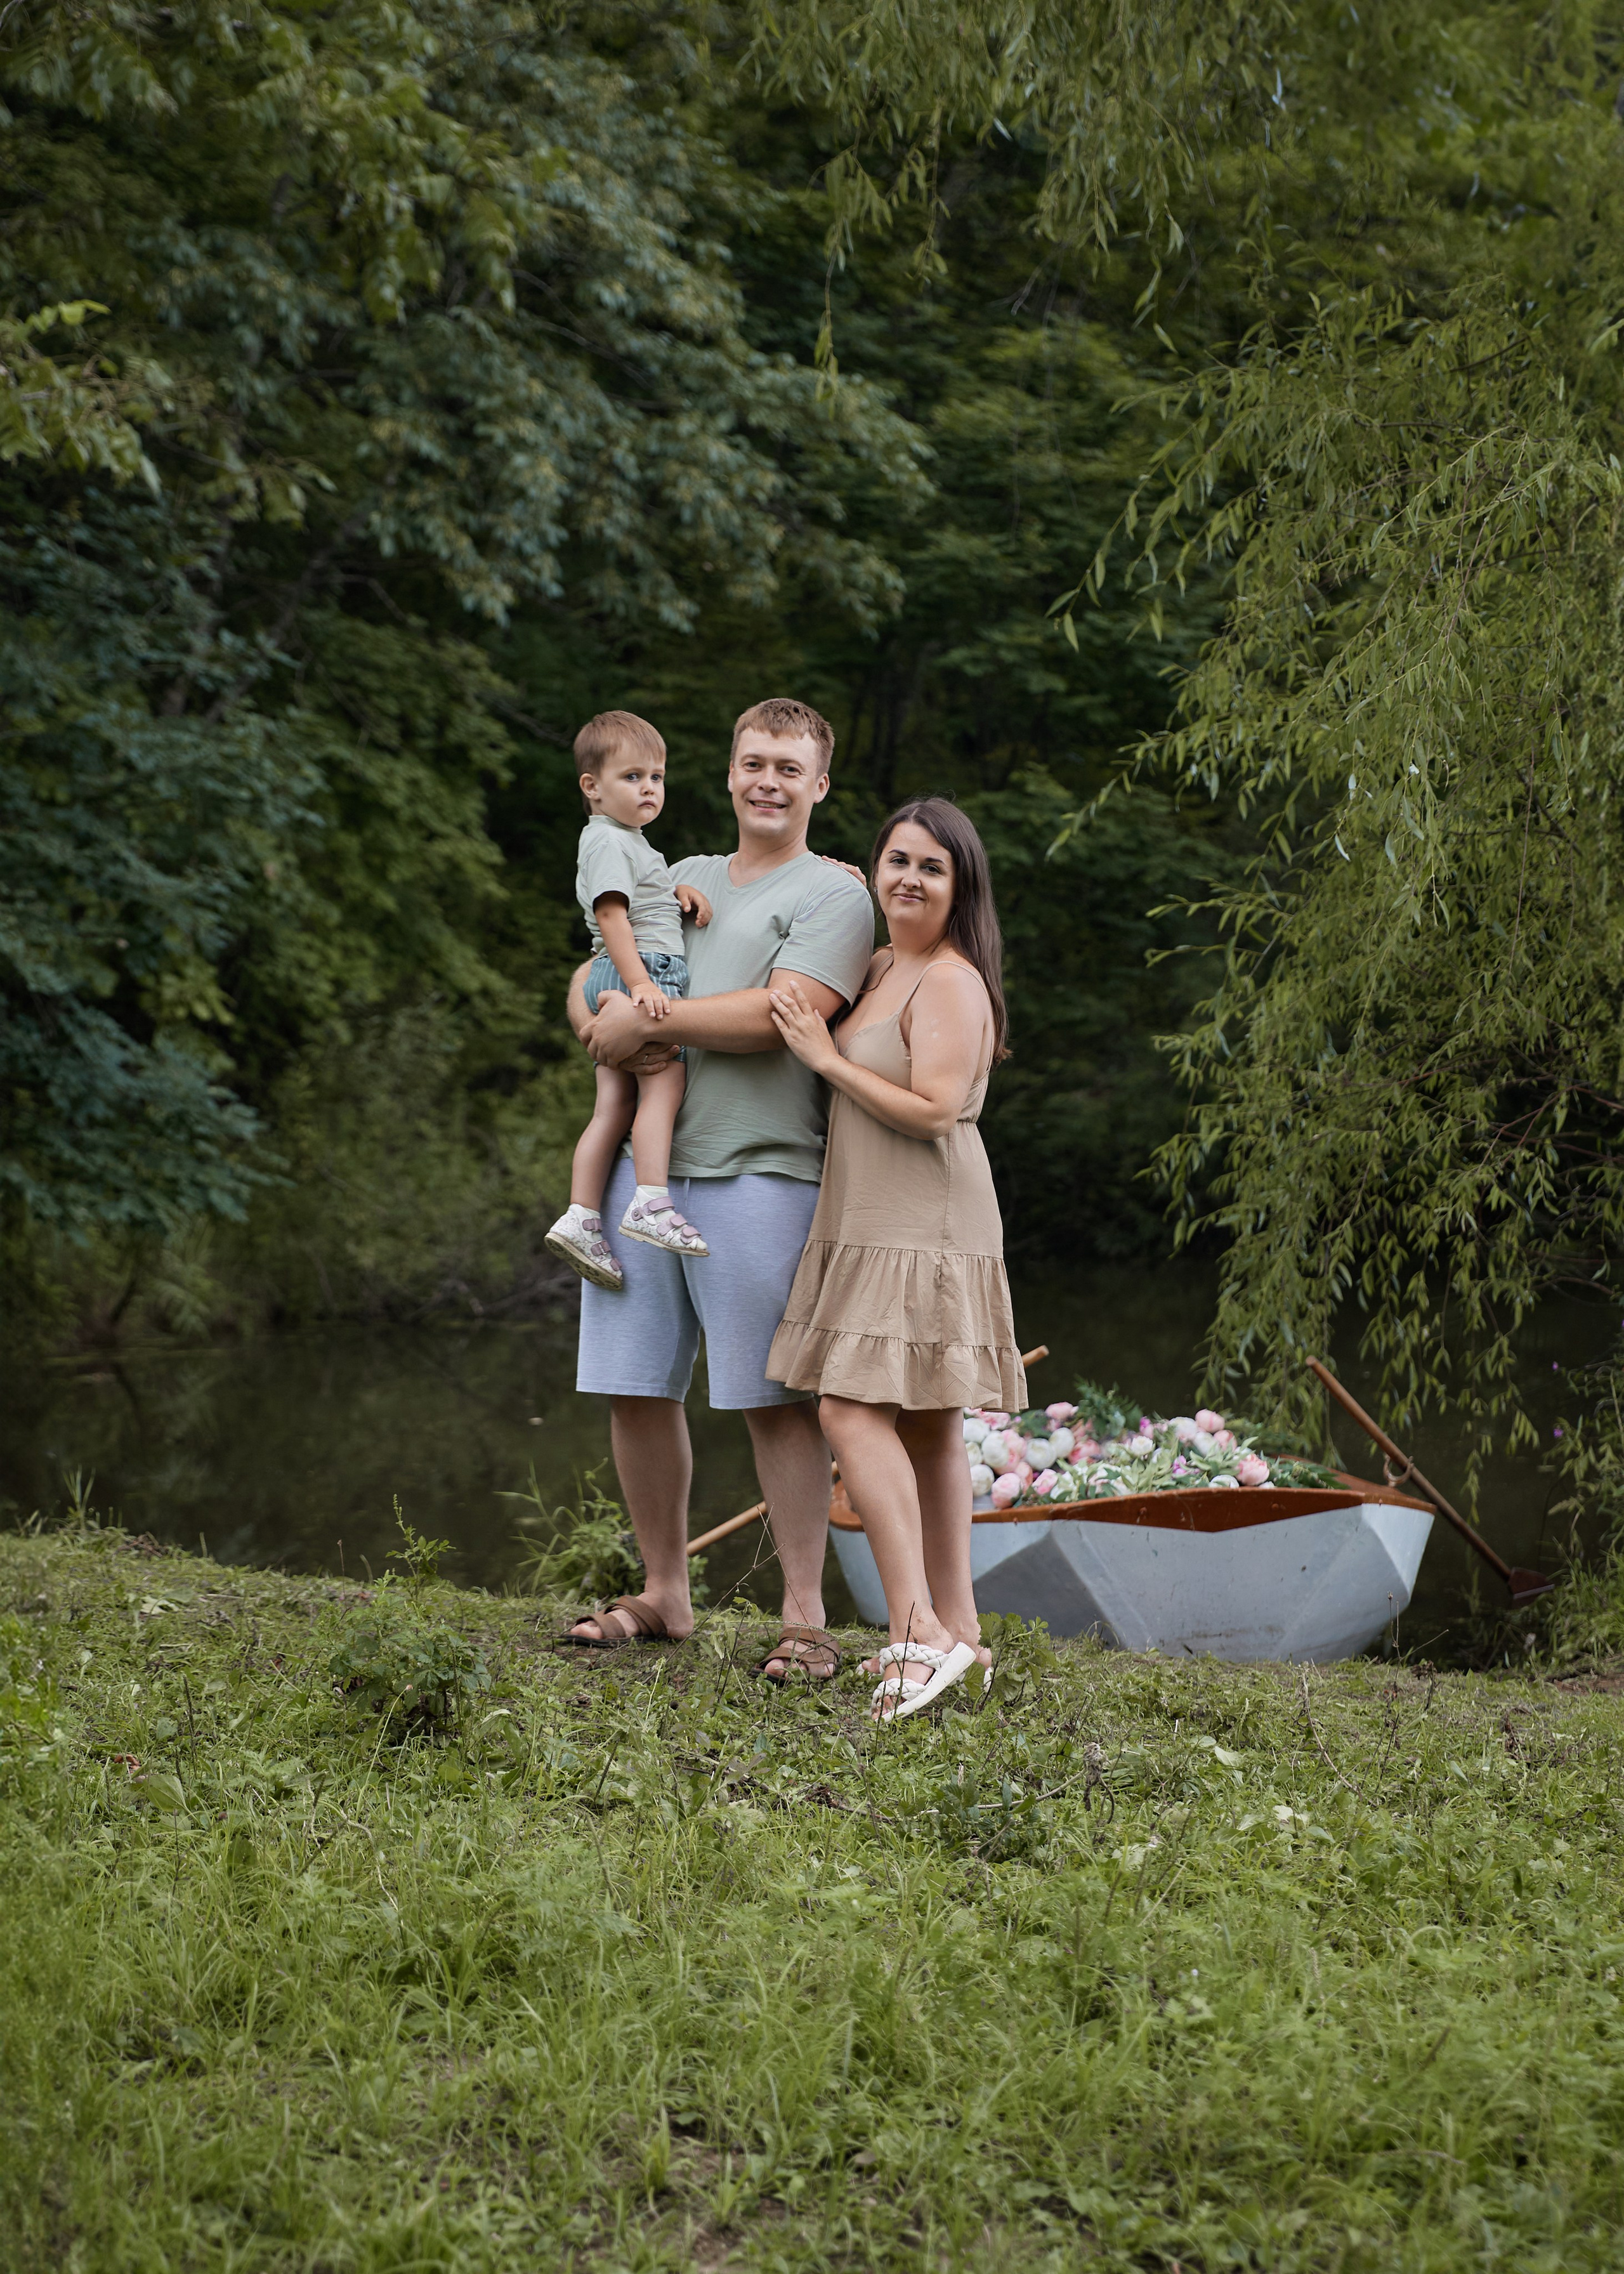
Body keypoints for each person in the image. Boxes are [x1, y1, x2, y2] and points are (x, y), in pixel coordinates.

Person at [556, 698, 875, 1678]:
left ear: (819, 784)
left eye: (789, 766)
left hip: (760, 1172)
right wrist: (594, 1016)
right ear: (729, 773)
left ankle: (806, 1618)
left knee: (772, 1399)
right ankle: (665, 1593)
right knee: (635, 1387)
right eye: (751, 762)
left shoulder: (837, 896)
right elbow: (586, 973)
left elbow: (786, 1011)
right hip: (638, 1178)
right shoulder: (676, 872)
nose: (767, 781)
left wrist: (647, 1020)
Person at [765, 798, 1025, 1721]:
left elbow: (936, 1108)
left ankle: (913, 1625)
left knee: (847, 1406)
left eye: (932, 868)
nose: (909, 879)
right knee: (927, 1426)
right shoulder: (881, 963)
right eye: (896, 861)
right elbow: (818, 886)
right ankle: (961, 1633)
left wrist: (823, 1061)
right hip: (870, 1212)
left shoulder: (949, 981)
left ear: (962, 888)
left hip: (927, 1219)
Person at [544, 711, 715, 1290]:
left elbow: (641, 897)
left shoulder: (622, 842)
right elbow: (613, 914)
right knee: (664, 1086)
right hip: (644, 970)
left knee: (612, 1106)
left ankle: (581, 1215)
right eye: (633, 776)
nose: (649, 789)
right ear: (592, 786)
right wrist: (642, 981)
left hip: (609, 975)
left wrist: (677, 892)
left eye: (657, 777)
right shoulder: (611, 841)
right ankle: (650, 1200)